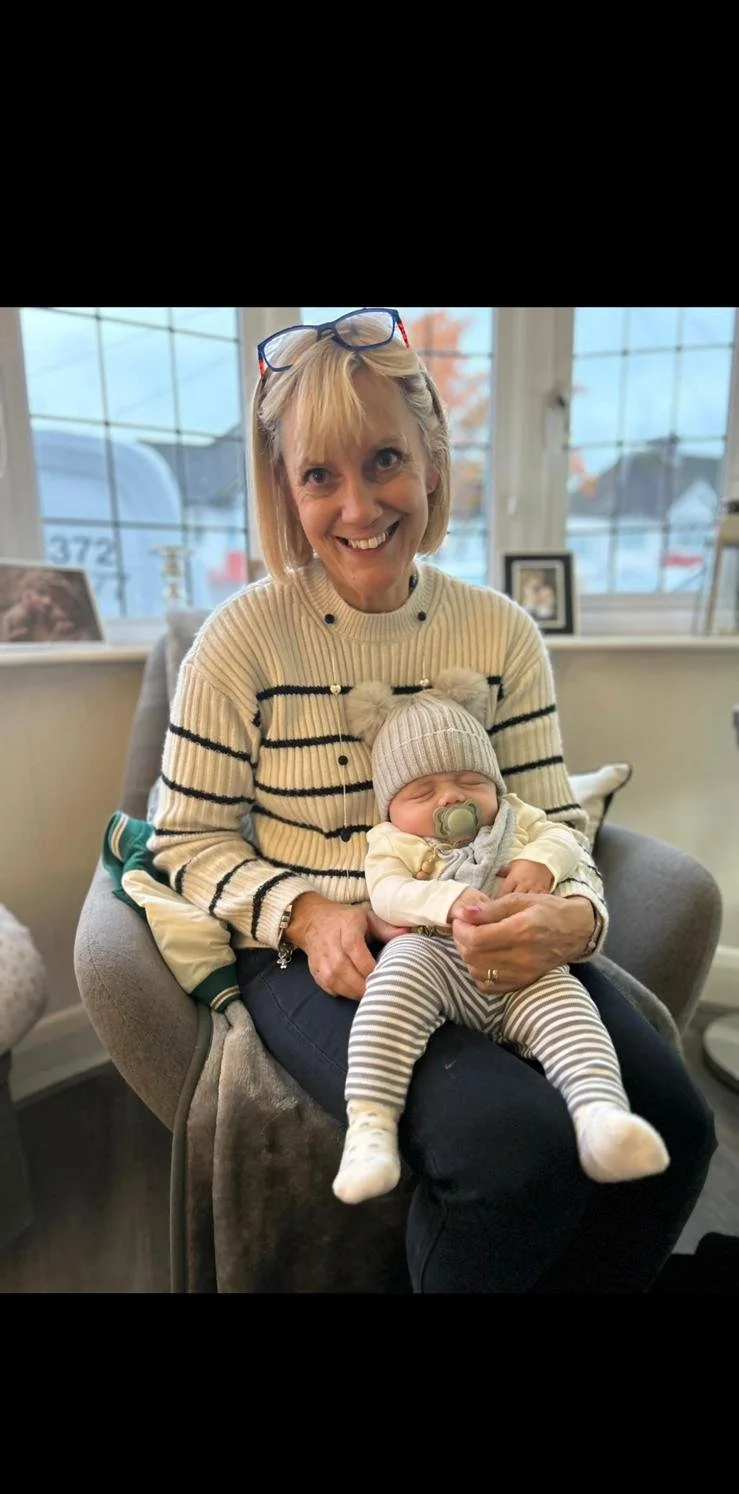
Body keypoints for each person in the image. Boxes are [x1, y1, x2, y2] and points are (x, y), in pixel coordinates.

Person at [151, 306, 716, 1293]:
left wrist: (568, 911)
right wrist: (305, 910)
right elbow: (181, 840)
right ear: (283, 489)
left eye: (383, 460)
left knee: (679, 1123)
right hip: (325, 948)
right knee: (508, 1147)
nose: (359, 505)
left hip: (484, 915)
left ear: (432, 462)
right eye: (319, 474)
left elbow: (551, 813)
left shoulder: (499, 632)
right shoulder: (238, 642)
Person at [332, 673, 669, 1203]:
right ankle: (371, 1128)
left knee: (570, 1008)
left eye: (471, 782)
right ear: (390, 807)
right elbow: (388, 894)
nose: (451, 797)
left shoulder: (519, 819)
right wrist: (444, 901)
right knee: (394, 982)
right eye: (422, 791)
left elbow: (566, 837)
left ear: (495, 786)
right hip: (437, 958)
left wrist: (540, 859)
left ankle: (600, 1116)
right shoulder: (390, 841)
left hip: (526, 964)